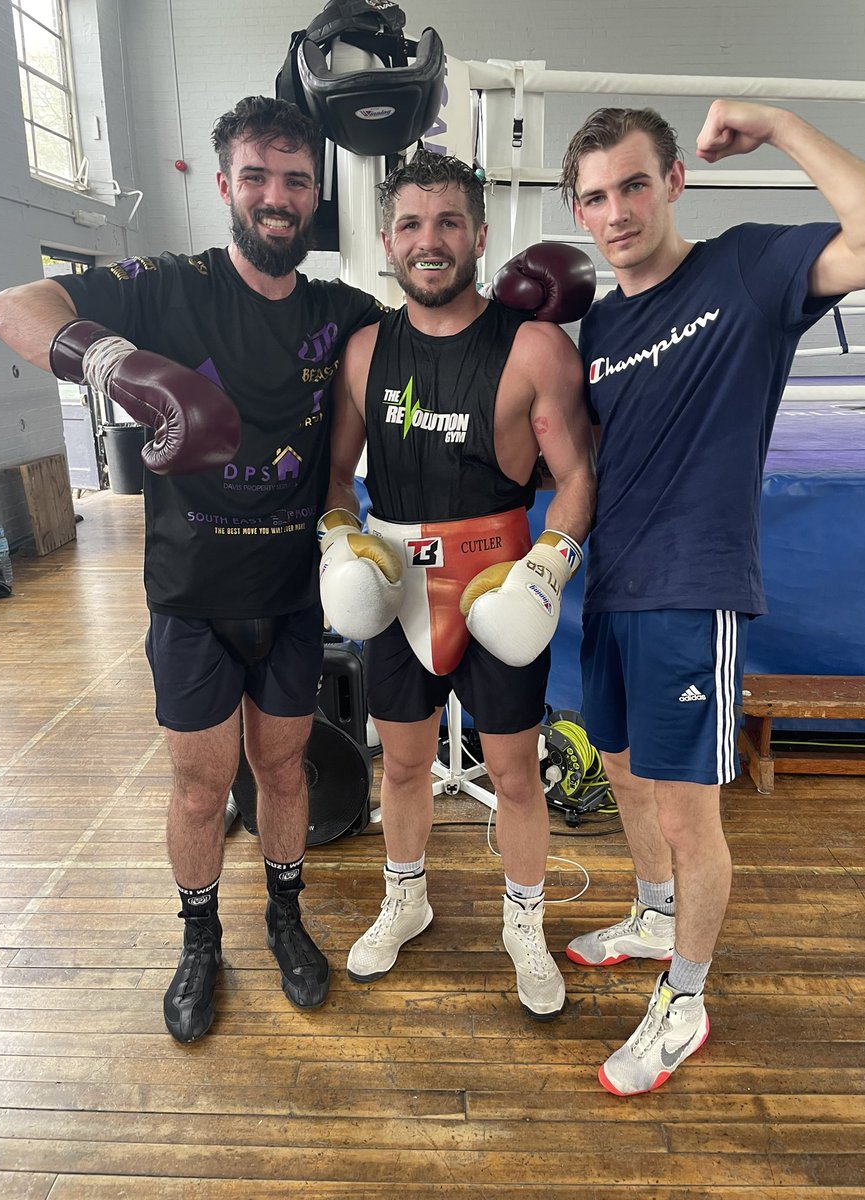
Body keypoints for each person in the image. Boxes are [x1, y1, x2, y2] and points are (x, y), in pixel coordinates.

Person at [0, 95, 387, 1043]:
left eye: (295, 180)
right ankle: (198, 938)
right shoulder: (169, 285)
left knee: (283, 774)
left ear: (317, 192)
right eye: (256, 177)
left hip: (291, 599)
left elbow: (432, 344)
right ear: (225, 187)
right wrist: (122, 365)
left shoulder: (343, 311)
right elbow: (16, 305)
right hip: (190, 602)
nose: (276, 197)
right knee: (201, 787)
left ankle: (286, 916)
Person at [558, 100, 865, 1094]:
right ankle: (653, 913)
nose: (615, 212)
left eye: (631, 185)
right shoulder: (601, 320)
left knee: (688, 811)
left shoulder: (744, 269)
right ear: (578, 214)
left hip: (692, 587)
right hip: (611, 586)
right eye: (593, 197)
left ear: (673, 182)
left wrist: (783, 126)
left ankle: (687, 998)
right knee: (618, 771)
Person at [321, 151, 596, 1019]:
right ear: (387, 239)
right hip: (398, 585)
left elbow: (578, 476)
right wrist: (338, 542)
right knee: (401, 764)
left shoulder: (536, 348)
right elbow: (335, 476)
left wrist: (550, 565)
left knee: (516, 771)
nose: (428, 241)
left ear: (480, 235)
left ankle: (525, 922)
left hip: (499, 578)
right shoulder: (365, 352)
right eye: (410, 224)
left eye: (447, 223)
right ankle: (407, 897)